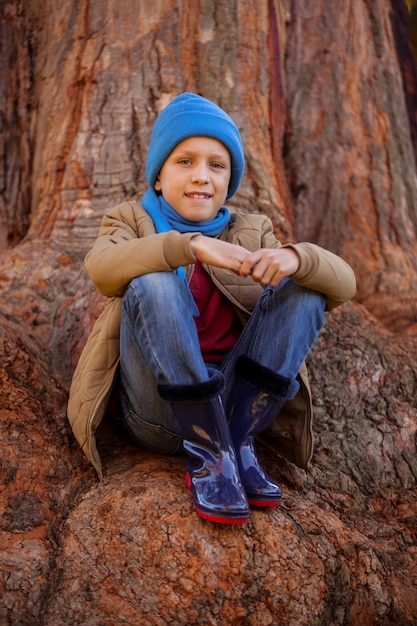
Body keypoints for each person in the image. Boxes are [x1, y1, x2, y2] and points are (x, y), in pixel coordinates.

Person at [67, 92, 356, 525]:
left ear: (229, 180)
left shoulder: (251, 229)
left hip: (236, 405)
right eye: (185, 161)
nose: (201, 175)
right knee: (152, 279)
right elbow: (103, 269)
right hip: (159, 411)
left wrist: (297, 259)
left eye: (216, 165)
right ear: (159, 176)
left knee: (305, 291)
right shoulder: (129, 220)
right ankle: (209, 455)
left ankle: (235, 444)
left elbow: (344, 285)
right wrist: (190, 245)